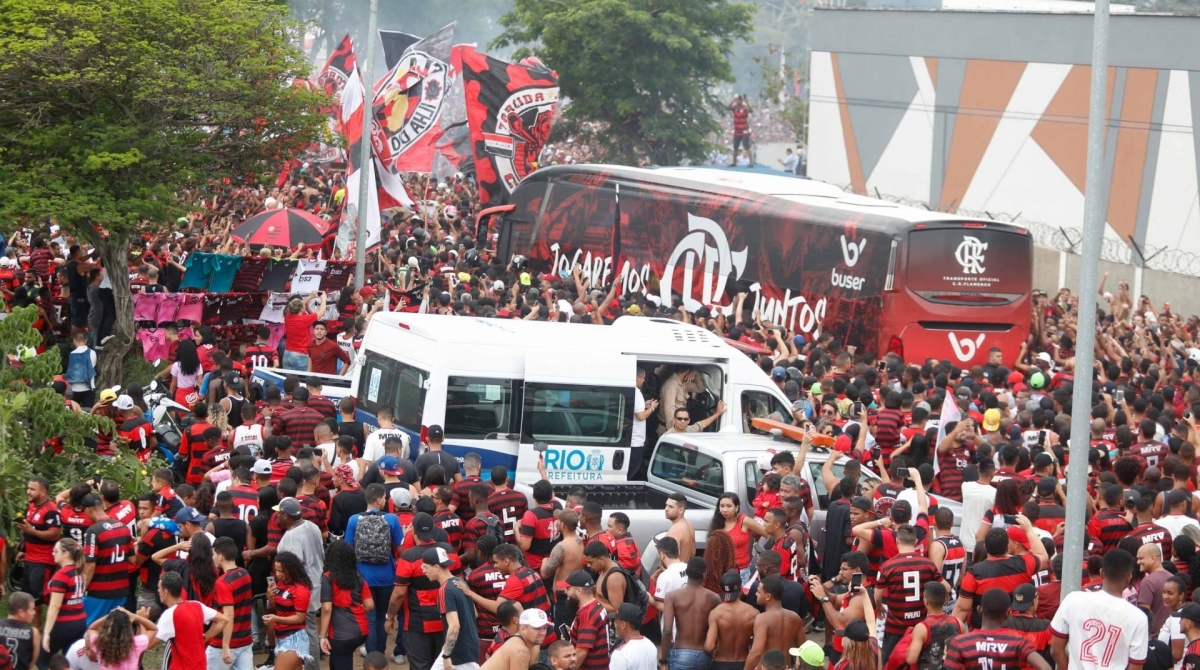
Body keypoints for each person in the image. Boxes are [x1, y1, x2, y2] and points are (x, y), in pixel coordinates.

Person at [1051, 549, 1150, 670]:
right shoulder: (1138, 618)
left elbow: (1056, 650)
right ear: (1129, 577)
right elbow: (1136, 667)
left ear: (1102, 573)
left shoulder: (1073, 600)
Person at [343, 483, 404, 657]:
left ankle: (372, 654)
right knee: (382, 615)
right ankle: (381, 650)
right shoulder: (391, 519)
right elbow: (399, 549)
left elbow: (348, 547)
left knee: (369, 617)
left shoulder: (354, 519)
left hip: (363, 576)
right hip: (387, 576)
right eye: (384, 498)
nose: (385, 501)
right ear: (378, 500)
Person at [876, 524, 943, 662]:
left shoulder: (887, 566)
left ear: (897, 541)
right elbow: (945, 587)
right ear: (916, 542)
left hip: (896, 627)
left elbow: (877, 595)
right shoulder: (928, 564)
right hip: (920, 625)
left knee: (891, 662)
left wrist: (879, 606)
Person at [944, 588, 1049, 670]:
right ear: (1008, 613)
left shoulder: (961, 642)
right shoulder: (1018, 643)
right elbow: (1045, 667)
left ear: (979, 610)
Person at [155, 571, 229, 670]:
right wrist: (205, 638)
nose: (158, 591)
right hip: (200, 666)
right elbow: (223, 620)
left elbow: (149, 644)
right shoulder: (196, 605)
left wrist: (140, 621)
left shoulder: (169, 615)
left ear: (166, 592)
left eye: (159, 588)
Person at [80, 495, 135, 625]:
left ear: (88, 510)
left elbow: (90, 565)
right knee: (114, 630)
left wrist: (81, 589)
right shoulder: (123, 527)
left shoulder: (93, 532)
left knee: (93, 629)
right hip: (121, 590)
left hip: (99, 593)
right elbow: (133, 559)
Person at [423, 545, 480, 670]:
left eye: (426, 567)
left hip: (458, 653)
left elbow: (454, 625)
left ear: (437, 567)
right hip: (468, 646)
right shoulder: (460, 582)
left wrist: (447, 655)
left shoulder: (445, 590)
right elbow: (474, 614)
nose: (423, 571)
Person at [319, 541, 373, 670]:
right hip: (361, 630)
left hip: (340, 635)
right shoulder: (358, 577)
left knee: (340, 660)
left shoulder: (328, 578)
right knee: (337, 660)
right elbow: (370, 605)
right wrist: (355, 609)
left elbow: (327, 608)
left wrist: (322, 636)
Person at [661, 557, 719, 670]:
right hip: (704, 655)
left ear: (687, 572)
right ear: (704, 574)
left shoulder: (672, 596)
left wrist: (663, 660)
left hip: (681, 654)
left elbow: (667, 631)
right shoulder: (714, 598)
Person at [264, 551, 313, 670]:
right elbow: (276, 607)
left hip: (293, 638)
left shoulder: (300, 590)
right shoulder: (280, 584)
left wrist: (276, 618)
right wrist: (269, 598)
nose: (278, 574)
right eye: (276, 570)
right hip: (282, 637)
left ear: (290, 570)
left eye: (281, 571)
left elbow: (300, 618)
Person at [210, 537, 253, 670]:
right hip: (245, 640)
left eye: (214, 554)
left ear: (221, 556)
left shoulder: (223, 582)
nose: (213, 558)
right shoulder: (244, 573)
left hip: (225, 643)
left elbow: (228, 616)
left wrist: (225, 646)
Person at [744, 577, 803, 670]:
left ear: (768, 596)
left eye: (759, 592)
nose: (756, 594)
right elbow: (803, 647)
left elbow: (756, 652)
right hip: (785, 667)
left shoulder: (762, 619)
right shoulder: (795, 617)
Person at [42, 539, 86, 662]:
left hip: (64, 623)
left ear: (66, 554)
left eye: (56, 551)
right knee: (70, 660)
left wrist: (46, 633)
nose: (53, 553)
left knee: (41, 658)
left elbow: (55, 606)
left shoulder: (62, 575)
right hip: (80, 621)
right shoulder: (79, 572)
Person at [904, 582, 965, 669]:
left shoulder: (922, 628)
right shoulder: (958, 622)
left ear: (926, 601)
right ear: (946, 599)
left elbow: (911, 659)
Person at [704, 571, 756, 670]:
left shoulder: (716, 613)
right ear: (741, 589)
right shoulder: (754, 613)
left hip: (720, 664)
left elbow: (709, 646)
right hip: (744, 664)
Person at [709, 494, 767, 583]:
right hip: (720, 572)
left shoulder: (743, 520)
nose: (725, 510)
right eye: (722, 506)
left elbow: (767, 534)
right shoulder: (717, 522)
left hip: (741, 572)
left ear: (736, 508)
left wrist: (758, 543)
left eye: (729, 506)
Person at [87, 607, 157, 670]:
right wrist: (135, 616)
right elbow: (153, 629)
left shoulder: (98, 643)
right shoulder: (136, 644)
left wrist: (109, 616)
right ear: (128, 628)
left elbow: (92, 628)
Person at [479, 609, 551, 670]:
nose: (542, 633)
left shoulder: (530, 643)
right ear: (523, 629)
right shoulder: (520, 650)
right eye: (537, 628)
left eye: (544, 628)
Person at [565, 570, 608, 670]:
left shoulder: (587, 615)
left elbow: (581, 653)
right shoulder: (596, 604)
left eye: (568, 588)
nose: (565, 592)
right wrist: (574, 633)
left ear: (579, 591)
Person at [282, 292, 326, 371]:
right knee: (302, 382)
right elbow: (321, 312)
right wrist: (323, 299)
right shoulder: (304, 319)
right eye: (303, 306)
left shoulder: (287, 317)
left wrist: (310, 296)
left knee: (289, 382)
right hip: (300, 355)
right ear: (302, 309)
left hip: (287, 354)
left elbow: (295, 306)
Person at [1140, 543, 1176, 638]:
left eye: (1141, 558)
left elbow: (1144, 616)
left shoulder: (1147, 582)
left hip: (1153, 638)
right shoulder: (1173, 578)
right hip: (1171, 635)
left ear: (1153, 558)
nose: (1138, 562)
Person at [612, 603, 656, 670]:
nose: (615, 625)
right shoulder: (651, 646)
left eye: (616, 622)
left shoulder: (621, 654)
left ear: (623, 625)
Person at [1, 592, 38, 670]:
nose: (34, 613)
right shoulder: (33, 632)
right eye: (32, 609)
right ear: (21, 612)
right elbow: (31, 663)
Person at [664, 493, 696, 563]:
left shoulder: (675, 530)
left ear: (681, 510)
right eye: (666, 505)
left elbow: (669, 561)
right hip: (684, 571)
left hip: (674, 572)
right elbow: (693, 553)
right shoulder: (690, 525)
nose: (666, 509)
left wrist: (656, 573)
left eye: (671, 507)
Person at [727, 97, 753, 167]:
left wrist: (747, 102)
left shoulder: (744, 108)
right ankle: (734, 162)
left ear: (741, 100)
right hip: (737, 130)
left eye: (739, 99)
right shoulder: (735, 107)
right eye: (737, 100)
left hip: (744, 130)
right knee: (735, 147)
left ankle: (751, 163)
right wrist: (733, 100)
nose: (738, 101)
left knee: (746, 146)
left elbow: (750, 110)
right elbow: (728, 108)